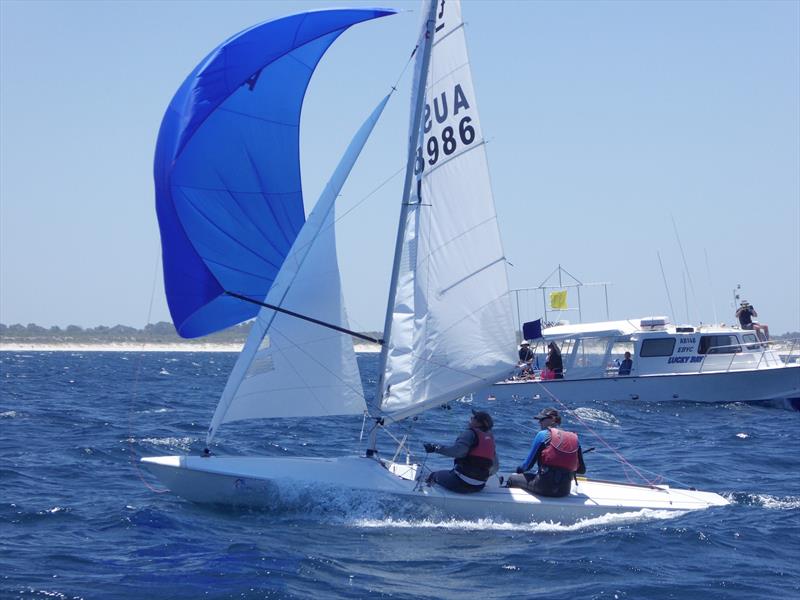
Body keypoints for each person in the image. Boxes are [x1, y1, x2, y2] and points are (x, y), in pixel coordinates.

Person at [507, 407, 585, 497]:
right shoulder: (574, 438)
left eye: (542, 419)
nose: (539, 422)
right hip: (564, 491)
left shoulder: (542, 434)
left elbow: (527, 466)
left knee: (512, 478)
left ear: (552, 419)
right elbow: (582, 470)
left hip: (543, 487)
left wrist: (518, 472)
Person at [424, 409, 499, 493]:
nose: (470, 419)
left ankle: (423, 494)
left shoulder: (470, 433)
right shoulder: (490, 439)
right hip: (479, 486)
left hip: (460, 483)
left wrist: (435, 448)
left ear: (479, 423)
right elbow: (495, 467)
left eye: (473, 418)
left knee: (433, 475)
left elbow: (458, 452)